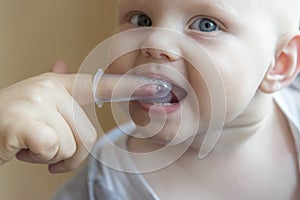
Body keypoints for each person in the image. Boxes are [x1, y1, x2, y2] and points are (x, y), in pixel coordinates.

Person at [1, 0, 300, 199]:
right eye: (141, 19)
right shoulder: (104, 186)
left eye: (206, 24)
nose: (155, 43)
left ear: (280, 63)